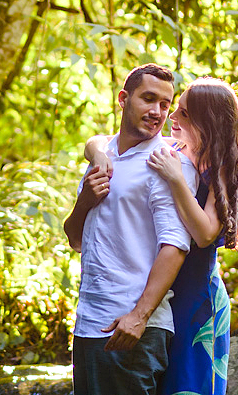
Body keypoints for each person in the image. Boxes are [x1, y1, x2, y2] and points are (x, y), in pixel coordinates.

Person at [85, 76, 238, 395]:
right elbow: (100, 140)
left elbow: (204, 234)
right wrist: (97, 153)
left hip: (196, 296)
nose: (171, 117)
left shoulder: (220, 168)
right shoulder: (175, 149)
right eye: (172, 109)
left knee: (186, 385)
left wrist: (176, 179)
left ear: (208, 122)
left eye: (182, 112)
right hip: (165, 291)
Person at [65, 63, 199, 395]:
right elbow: (75, 239)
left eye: (165, 104)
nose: (157, 112)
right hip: (90, 323)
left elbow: (176, 245)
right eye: (148, 99)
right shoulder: (104, 155)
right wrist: (84, 200)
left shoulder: (168, 162)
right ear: (124, 99)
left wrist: (138, 317)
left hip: (134, 330)